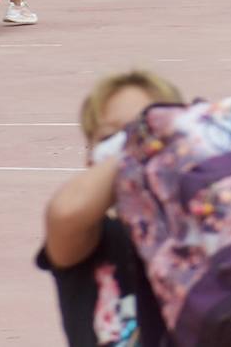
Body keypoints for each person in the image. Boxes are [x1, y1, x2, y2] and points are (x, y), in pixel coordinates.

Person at [37, 70, 183, 347]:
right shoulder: (92, 239)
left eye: (144, 129)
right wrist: (136, 149)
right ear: (91, 158)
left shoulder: (198, 229)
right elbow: (64, 213)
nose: (129, 143)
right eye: (110, 137)